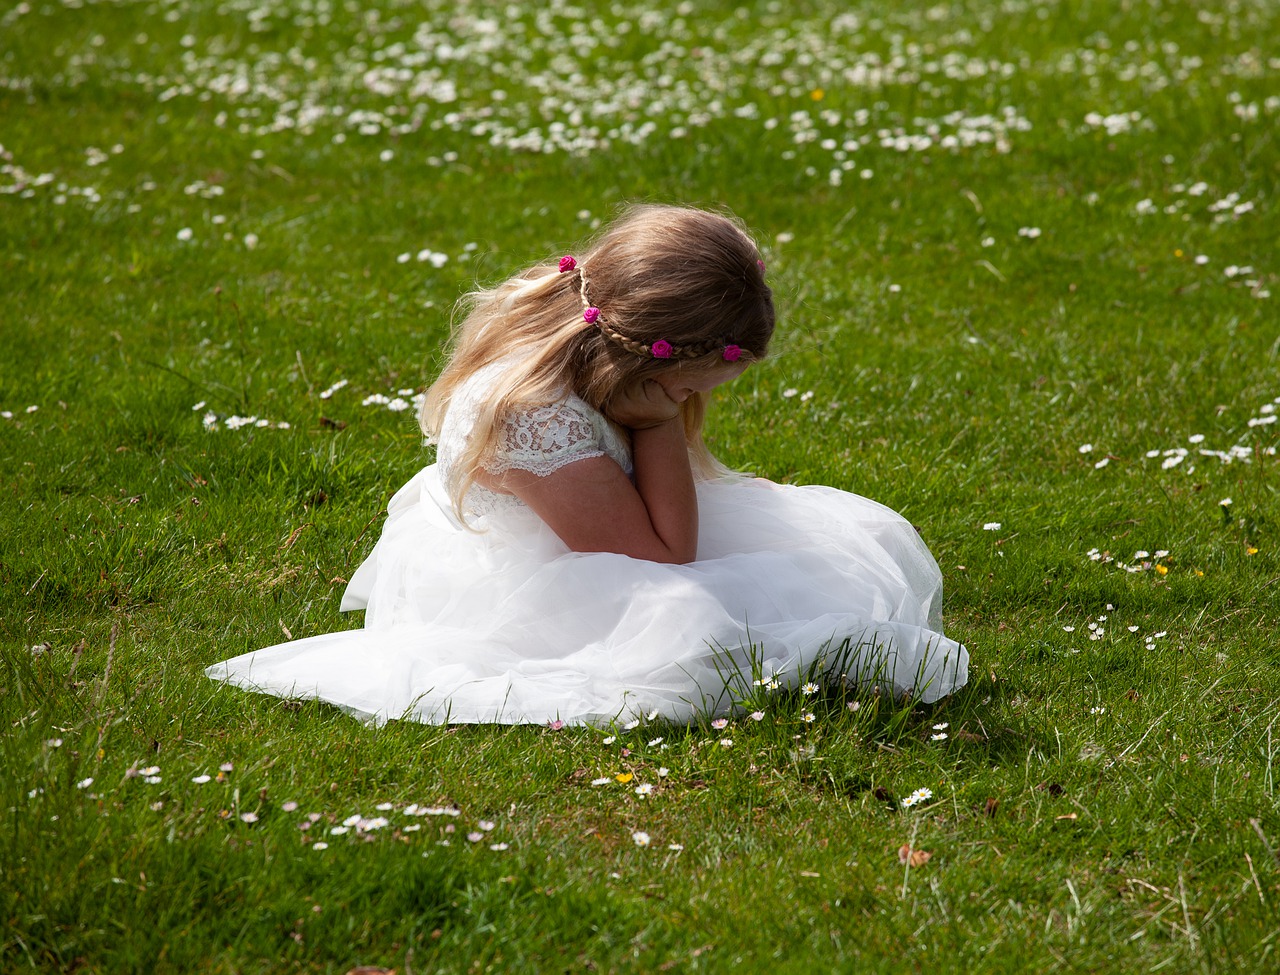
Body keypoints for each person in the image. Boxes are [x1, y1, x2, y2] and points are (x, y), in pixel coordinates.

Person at [206, 205, 968, 725]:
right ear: (646, 356)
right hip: (543, 583)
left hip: (599, 529)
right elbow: (666, 560)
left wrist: (662, 406)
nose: (694, 400)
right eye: (692, 385)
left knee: (834, 554)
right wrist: (661, 419)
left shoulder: (590, 357)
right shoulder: (535, 415)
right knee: (698, 632)